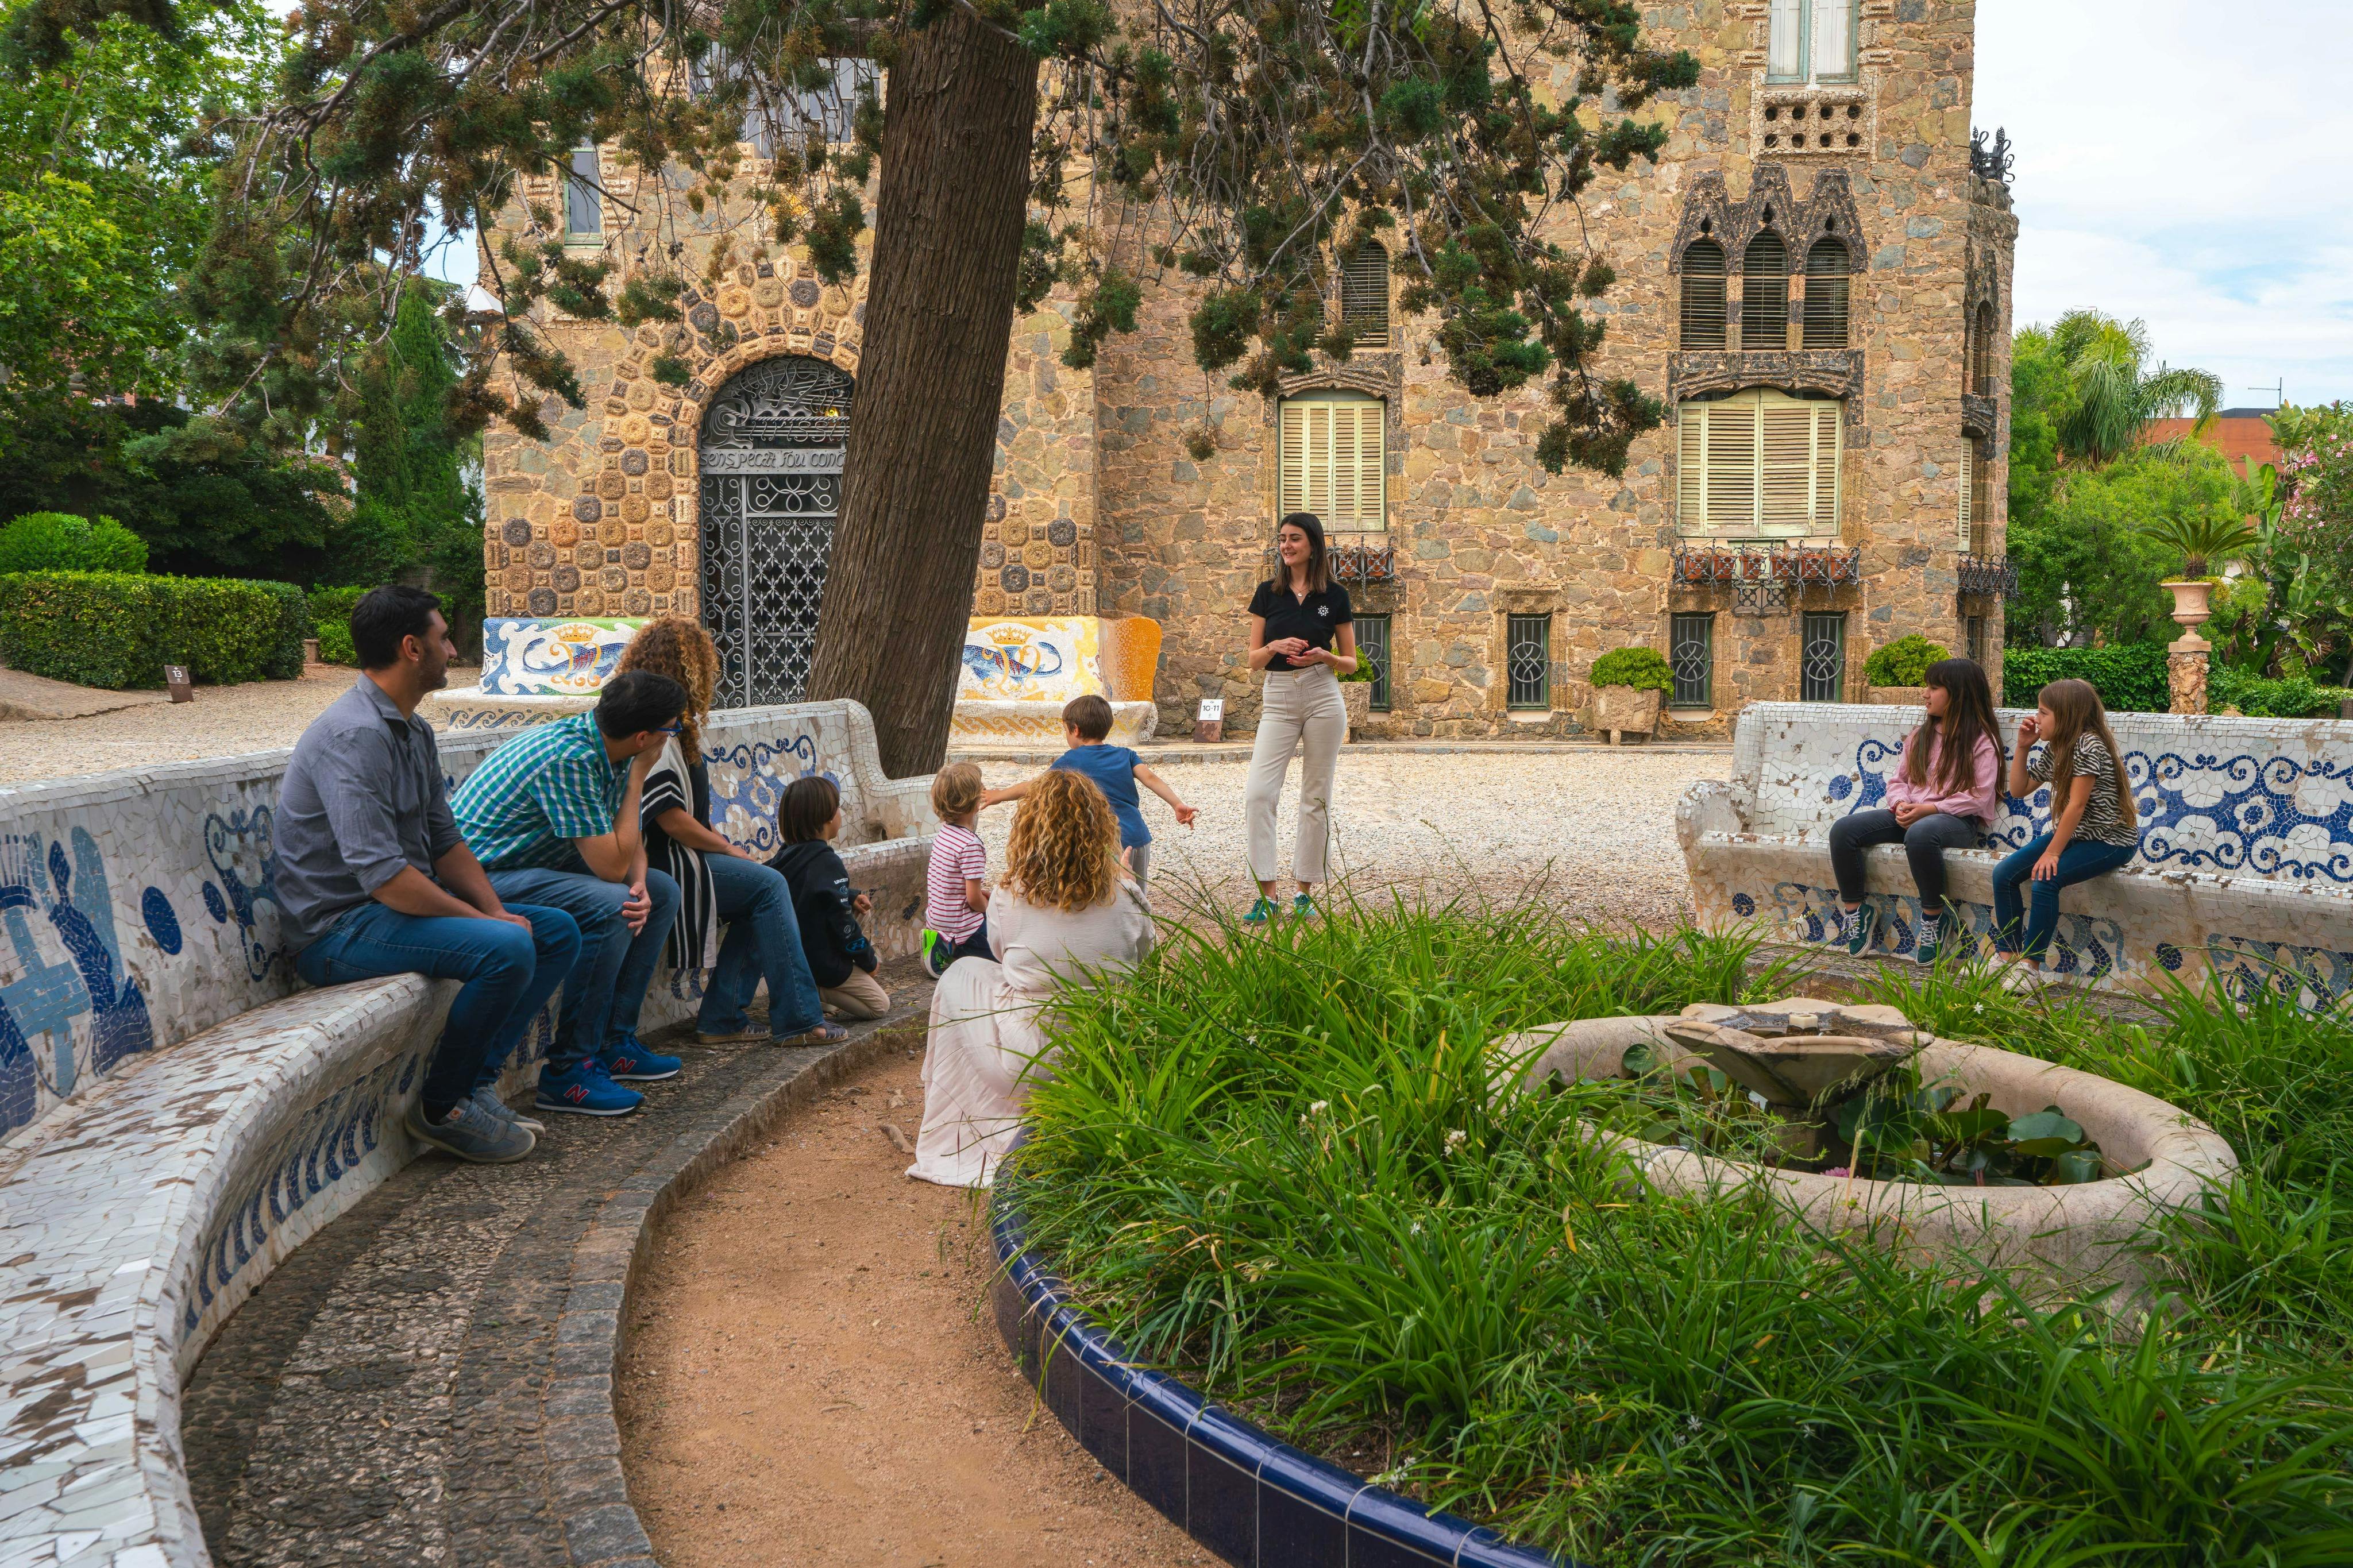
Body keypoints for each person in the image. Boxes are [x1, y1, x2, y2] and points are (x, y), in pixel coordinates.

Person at [275, 586, 583, 1164]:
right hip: (337, 931)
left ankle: (476, 1083)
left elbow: (444, 840)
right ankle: (443, 1108)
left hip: (388, 914)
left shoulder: (413, 730)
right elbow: (385, 878)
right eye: (443, 637)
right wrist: (489, 925)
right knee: (507, 948)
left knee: (557, 932)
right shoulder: (355, 735)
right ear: (412, 648)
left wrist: (493, 910)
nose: (453, 647)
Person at [450, 669, 689, 1117]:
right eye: (672, 728)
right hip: (480, 878)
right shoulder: (570, 759)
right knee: (612, 906)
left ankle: (615, 1042)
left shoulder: (609, 745)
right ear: (644, 737)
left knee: (660, 890)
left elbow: (625, 843)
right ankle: (569, 1068)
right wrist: (640, 776)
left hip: (534, 865)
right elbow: (609, 865)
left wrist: (638, 879)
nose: (674, 736)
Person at [603, 619, 845, 1053]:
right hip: (666, 864)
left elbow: (691, 809)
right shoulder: (658, 728)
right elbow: (669, 817)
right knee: (771, 886)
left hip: (684, 859)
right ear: (691, 666)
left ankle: (722, 1017)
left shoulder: (677, 727)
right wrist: (729, 848)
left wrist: (731, 851)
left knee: (766, 886)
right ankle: (799, 1020)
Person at [908, 770, 1155, 1188]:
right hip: (1108, 1056)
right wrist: (1128, 882)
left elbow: (1003, 958)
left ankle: (969, 1115)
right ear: (1101, 828)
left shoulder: (1011, 893)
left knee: (962, 974)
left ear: (1030, 828)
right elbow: (1146, 962)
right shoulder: (1127, 895)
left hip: (1029, 1062)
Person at [1826, 657, 2003, 965]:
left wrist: (1930, 808)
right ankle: (1857, 912)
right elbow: (1899, 780)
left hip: (1954, 822)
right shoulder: (1921, 736)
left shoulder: (1981, 742)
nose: (1925, 694)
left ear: (1958, 695)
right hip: (1912, 814)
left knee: (1921, 834)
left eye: (1934, 688)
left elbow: (1978, 796)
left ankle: (1935, 919)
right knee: (1844, 830)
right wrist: (1901, 804)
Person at [1991, 677, 2142, 987]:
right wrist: (2022, 747)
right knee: (2004, 874)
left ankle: (2030, 969)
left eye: (2044, 712)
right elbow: (2019, 789)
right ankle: (2006, 957)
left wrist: (2053, 852)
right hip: (2078, 835)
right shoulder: (2058, 747)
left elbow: (2076, 805)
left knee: (2046, 878)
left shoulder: (2088, 744)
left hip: (2111, 840)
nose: (2037, 717)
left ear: (2067, 715)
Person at [1242, 511, 1355, 922]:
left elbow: (1351, 662)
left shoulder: (1336, 596)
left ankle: (1304, 892)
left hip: (1323, 692)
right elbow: (1252, 660)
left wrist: (1324, 656)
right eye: (1282, 539)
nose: (1286, 546)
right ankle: (1267, 895)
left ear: (1313, 545)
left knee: (1316, 797)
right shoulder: (1267, 593)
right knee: (1259, 793)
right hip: (1278, 697)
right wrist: (1274, 645)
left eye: (1294, 539)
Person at [981, 694, 1196, 883]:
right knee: (1137, 899)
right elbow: (1151, 779)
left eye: (1066, 730)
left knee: (1108, 899)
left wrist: (999, 796)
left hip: (1100, 842)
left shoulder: (1069, 761)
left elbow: (1034, 786)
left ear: (1075, 730)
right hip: (1137, 837)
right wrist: (1177, 804)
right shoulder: (1126, 755)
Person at [769, 775, 889, 1021]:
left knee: (860, 907)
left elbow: (817, 892)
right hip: (823, 963)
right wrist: (868, 961)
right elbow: (845, 928)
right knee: (879, 1006)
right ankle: (816, 991)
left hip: (800, 954)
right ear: (826, 819)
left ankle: (815, 988)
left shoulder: (787, 855)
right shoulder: (828, 862)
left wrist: (852, 895)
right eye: (837, 809)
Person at [921, 762, 991, 976]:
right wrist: (992, 908)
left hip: (938, 919)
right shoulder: (971, 845)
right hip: (963, 928)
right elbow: (973, 901)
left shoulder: (945, 834)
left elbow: (954, 882)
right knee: (1004, 952)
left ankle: (942, 945)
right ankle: (958, 952)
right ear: (975, 801)